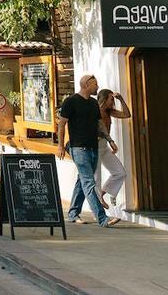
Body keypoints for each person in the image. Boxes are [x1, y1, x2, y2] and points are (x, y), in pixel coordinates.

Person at [57, 74, 121, 228]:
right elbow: (61, 124)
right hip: (78, 149)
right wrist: (60, 145)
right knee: (89, 183)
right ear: (86, 85)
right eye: (95, 84)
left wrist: (110, 140)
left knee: (82, 181)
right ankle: (102, 218)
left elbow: (100, 124)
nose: (97, 87)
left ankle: (72, 213)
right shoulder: (70, 102)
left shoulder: (93, 103)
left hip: (93, 148)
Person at [96, 88, 131, 210]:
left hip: (105, 147)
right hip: (95, 147)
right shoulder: (96, 111)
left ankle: (101, 195)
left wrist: (121, 99)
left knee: (120, 173)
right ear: (104, 99)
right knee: (96, 179)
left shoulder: (109, 112)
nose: (113, 102)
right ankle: (99, 207)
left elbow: (127, 115)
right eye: (111, 99)